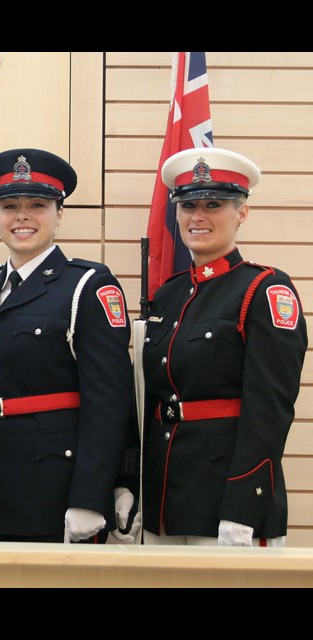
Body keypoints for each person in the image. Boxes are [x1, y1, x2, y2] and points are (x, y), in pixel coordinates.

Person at [0, 148, 135, 542]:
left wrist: (91, 496)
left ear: (59, 214)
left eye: (37, 204)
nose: (22, 216)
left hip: (53, 486)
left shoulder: (87, 286)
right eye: (9, 206)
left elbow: (109, 403)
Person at [142, 147, 307, 546]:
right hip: (165, 500)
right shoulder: (168, 296)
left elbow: (269, 410)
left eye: (214, 204)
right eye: (187, 205)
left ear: (242, 213)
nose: (197, 217)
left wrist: (242, 507)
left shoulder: (264, 289)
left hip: (226, 506)